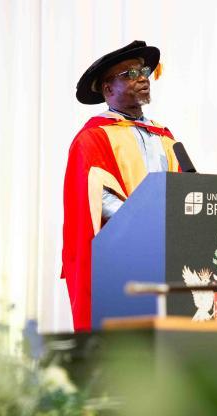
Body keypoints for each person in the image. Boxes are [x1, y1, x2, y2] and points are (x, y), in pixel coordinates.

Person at [62, 40, 181, 331]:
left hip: (164, 257)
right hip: (119, 259)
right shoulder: (93, 138)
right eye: (129, 74)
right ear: (107, 89)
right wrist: (143, 223)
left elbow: (181, 190)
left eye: (143, 71)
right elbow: (98, 198)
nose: (142, 78)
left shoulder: (164, 137)